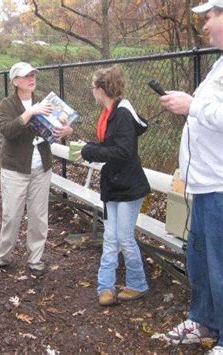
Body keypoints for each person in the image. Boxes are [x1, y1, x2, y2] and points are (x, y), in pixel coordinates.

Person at [159, 1, 223, 352]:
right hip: (203, 184)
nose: (205, 25)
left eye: (211, 16)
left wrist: (192, 105)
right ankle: (204, 321)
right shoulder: (218, 64)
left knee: (221, 266)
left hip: (221, 188)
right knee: (200, 262)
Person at [0, 62, 73, 277]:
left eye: (33, 75)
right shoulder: (8, 104)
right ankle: (3, 255)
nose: (31, 79)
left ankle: (35, 258)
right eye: (26, 76)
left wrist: (64, 131)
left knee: (38, 215)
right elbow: (7, 131)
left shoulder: (46, 102)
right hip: (15, 168)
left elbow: (55, 129)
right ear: (15, 81)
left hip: (41, 167)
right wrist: (30, 113)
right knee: (12, 214)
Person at [80, 65, 150, 306]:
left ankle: (137, 284)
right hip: (113, 185)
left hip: (129, 187)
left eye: (93, 88)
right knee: (111, 238)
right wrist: (92, 147)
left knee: (124, 238)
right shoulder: (110, 113)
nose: (92, 92)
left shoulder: (121, 113)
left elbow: (122, 151)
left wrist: (91, 151)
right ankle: (105, 287)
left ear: (101, 89)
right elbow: (112, 146)